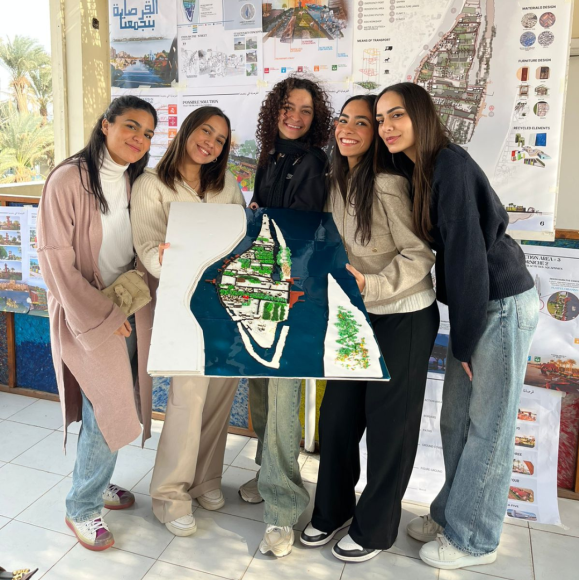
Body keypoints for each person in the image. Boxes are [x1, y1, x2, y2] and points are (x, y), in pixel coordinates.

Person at [375, 82, 539, 570]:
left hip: (501, 303)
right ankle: (452, 513)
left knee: (489, 427)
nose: (386, 127)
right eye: (381, 118)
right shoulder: (420, 167)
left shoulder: (448, 165)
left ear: (422, 116)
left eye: (397, 115)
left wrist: (463, 343)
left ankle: (475, 539)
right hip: (478, 305)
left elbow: (468, 257)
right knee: (455, 421)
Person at [299, 95, 439, 563]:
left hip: (404, 315)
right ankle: (333, 508)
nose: (350, 128)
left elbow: (420, 254)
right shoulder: (337, 178)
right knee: (337, 418)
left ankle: (375, 528)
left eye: (366, 122)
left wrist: (373, 285)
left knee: (389, 429)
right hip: (357, 313)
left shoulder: (385, 182)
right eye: (345, 120)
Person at [37, 96, 158, 551]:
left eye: (147, 133)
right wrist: (103, 316)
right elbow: (55, 263)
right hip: (86, 313)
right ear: (105, 125)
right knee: (108, 408)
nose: (139, 139)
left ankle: (98, 479)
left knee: (115, 403)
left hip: (128, 306)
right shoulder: (69, 179)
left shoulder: (133, 179)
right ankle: (82, 508)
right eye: (130, 126)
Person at [131, 106, 245, 537]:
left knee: (219, 395)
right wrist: (165, 259)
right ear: (186, 131)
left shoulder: (227, 186)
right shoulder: (151, 185)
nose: (210, 143)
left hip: (226, 307)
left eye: (219, 139)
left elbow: (241, 237)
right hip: (181, 308)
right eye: (205, 132)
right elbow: (145, 247)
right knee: (187, 399)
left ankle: (205, 480)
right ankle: (169, 494)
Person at [238, 76, 333, 558]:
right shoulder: (271, 155)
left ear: (316, 121)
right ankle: (265, 472)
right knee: (260, 386)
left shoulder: (313, 161)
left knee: (281, 395)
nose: (295, 116)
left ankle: (281, 508)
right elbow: (268, 218)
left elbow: (301, 232)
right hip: (264, 284)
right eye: (288, 107)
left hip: (292, 293)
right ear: (274, 111)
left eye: (306, 111)